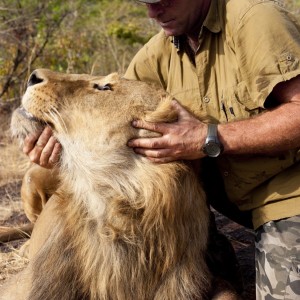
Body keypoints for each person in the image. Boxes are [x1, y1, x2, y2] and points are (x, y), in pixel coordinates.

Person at [23, 0, 300, 298]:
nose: (153, 12)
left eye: (163, 0)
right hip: (219, 195)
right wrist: (59, 131)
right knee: (42, 175)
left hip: (285, 192)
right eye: (145, 2)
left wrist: (208, 138)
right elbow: (114, 110)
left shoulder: (254, 19)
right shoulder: (154, 56)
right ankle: (210, 249)